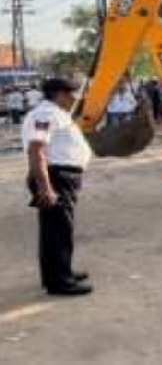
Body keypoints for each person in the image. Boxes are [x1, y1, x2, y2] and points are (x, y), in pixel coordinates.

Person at [23, 77, 94, 296]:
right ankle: (60, 282)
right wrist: (45, 187)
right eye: (74, 93)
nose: (77, 98)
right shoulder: (47, 114)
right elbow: (37, 150)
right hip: (56, 178)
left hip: (60, 177)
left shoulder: (56, 113)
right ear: (61, 94)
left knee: (58, 230)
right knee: (57, 231)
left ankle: (61, 273)